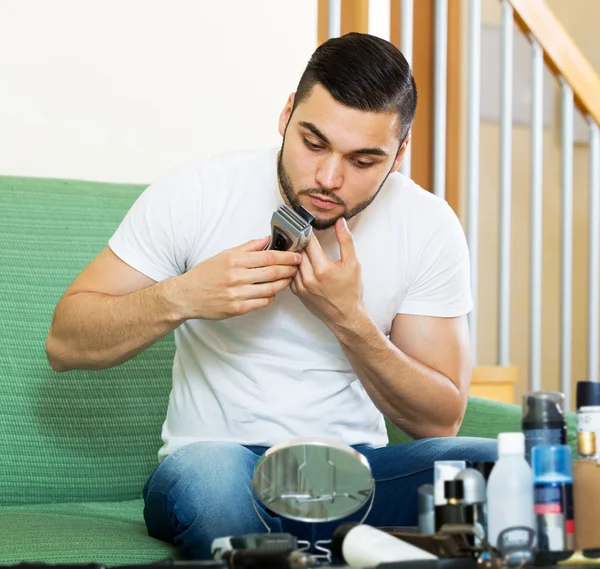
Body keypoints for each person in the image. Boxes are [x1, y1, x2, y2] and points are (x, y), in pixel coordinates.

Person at [46, 32, 497, 560]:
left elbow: (438, 419)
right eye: (314, 142)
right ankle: (349, 547)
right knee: (213, 489)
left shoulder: (426, 225)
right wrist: (183, 295)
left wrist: (350, 320)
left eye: (363, 161)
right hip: (218, 464)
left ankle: (308, 546)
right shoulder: (198, 192)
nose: (329, 178)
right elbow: (64, 342)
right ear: (286, 115)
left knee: (500, 472)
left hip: (353, 474)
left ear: (398, 155)